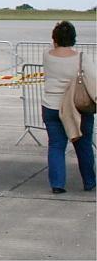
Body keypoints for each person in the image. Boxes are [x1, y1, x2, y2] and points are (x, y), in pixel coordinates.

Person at [41, 20, 95, 194]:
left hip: (51, 106)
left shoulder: (47, 55)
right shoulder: (81, 58)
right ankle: (89, 181)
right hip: (77, 107)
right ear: (74, 39)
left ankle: (57, 184)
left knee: (56, 145)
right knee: (83, 144)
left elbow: (53, 46)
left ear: (54, 39)